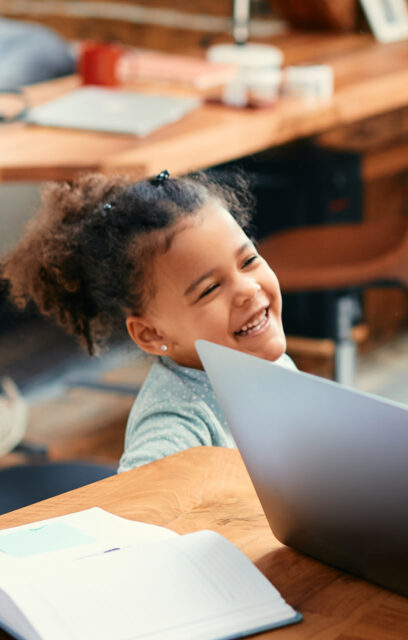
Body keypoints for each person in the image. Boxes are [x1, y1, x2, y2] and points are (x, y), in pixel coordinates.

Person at [1, 169, 293, 472]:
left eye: (249, 261)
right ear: (151, 334)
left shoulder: (259, 358)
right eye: (210, 289)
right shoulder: (176, 424)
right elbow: (137, 506)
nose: (248, 289)